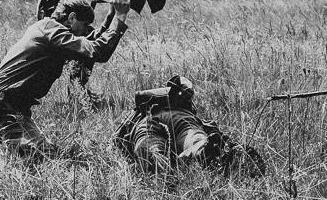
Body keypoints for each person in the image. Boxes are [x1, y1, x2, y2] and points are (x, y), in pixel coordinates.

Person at [0, 0, 132, 161]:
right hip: (3, 106)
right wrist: (121, 17)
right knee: (36, 157)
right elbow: (97, 52)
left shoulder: (47, 28)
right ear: (71, 18)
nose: (86, 30)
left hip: (4, 104)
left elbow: (88, 43)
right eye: (84, 25)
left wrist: (110, 17)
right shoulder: (53, 33)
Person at [113, 75, 265, 179]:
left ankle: (161, 168)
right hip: (182, 118)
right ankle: (209, 152)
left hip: (147, 120)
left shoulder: (137, 111)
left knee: (150, 149)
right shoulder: (184, 108)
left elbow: (117, 140)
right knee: (196, 139)